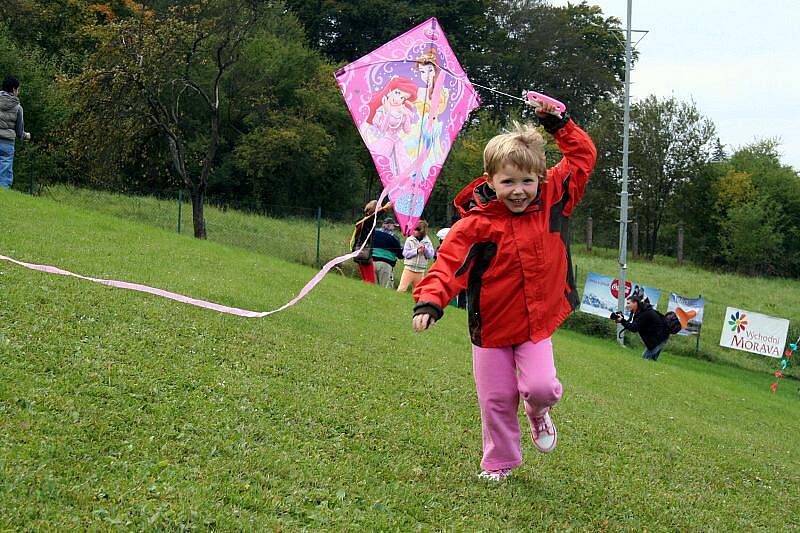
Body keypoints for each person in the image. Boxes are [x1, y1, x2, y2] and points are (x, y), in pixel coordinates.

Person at [411, 100, 597, 481]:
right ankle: (500, 463)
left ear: (540, 179)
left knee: (541, 387)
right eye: (508, 182)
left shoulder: (553, 201)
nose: (518, 191)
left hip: (536, 324)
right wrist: (429, 300)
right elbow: (448, 265)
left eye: (527, 181)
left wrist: (557, 123)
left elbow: (582, 158)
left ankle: (538, 414)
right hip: (492, 329)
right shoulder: (476, 225)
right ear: (490, 180)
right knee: (496, 400)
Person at [613, 288, 670, 361]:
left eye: (628, 303)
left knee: (644, 360)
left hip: (659, 339)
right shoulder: (640, 311)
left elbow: (634, 328)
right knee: (651, 361)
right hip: (660, 337)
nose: (626, 305)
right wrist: (623, 320)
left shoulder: (644, 313)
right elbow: (634, 325)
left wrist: (622, 321)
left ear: (635, 303)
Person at [0, 76, 32, 189]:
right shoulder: (18, 108)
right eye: (18, 90)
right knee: (5, 169)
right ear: (14, 90)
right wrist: (26, 136)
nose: (18, 92)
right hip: (7, 143)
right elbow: (19, 131)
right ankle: (4, 193)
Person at [350, 200, 391, 284]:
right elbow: (372, 218)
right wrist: (384, 209)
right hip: (364, 252)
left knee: (366, 279)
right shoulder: (367, 221)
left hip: (359, 251)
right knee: (370, 280)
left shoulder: (362, 220)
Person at [397, 220, 435, 293]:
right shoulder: (410, 240)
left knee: (418, 292)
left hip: (420, 271)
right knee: (401, 289)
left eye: (416, 230)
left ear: (421, 231)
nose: (413, 231)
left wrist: (425, 250)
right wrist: (416, 251)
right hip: (409, 269)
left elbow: (431, 256)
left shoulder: (428, 241)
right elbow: (405, 253)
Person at [372, 217, 403, 288]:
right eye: (394, 226)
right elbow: (400, 255)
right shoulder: (394, 237)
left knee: (373, 287)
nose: (394, 228)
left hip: (371, 262)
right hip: (385, 264)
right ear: (389, 225)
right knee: (385, 288)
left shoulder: (374, 232)